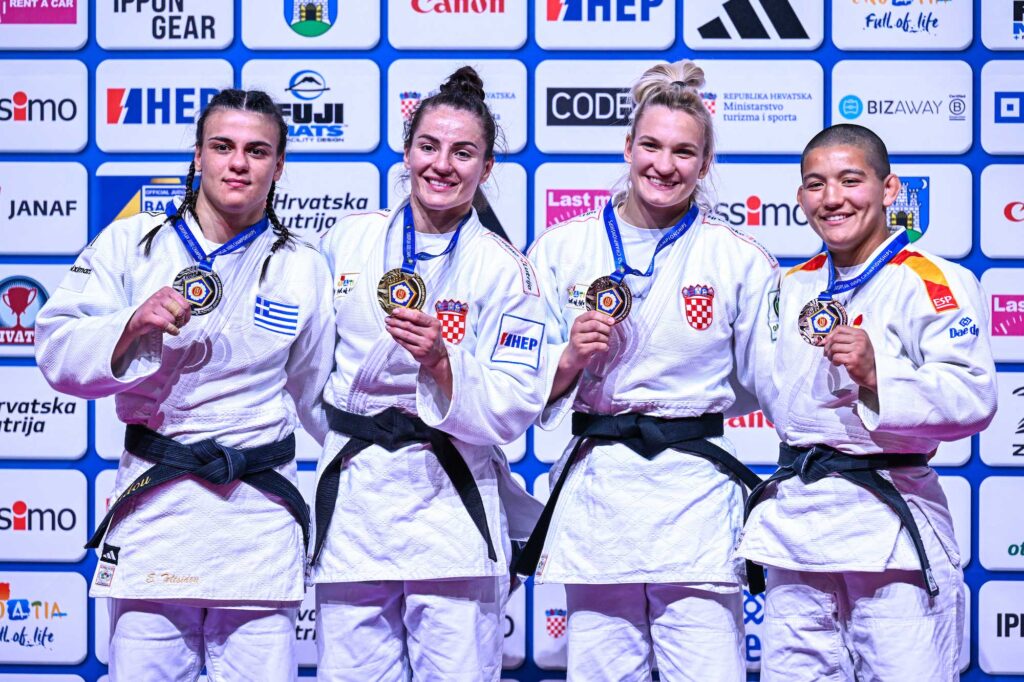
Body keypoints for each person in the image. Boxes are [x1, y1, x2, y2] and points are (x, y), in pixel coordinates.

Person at [34, 89, 335, 681]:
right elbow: (56, 350)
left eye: (257, 151)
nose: (238, 163)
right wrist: (131, 324)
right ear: (197, 155)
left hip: (257, 517)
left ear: (279, 166)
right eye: (222, 146)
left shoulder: (303, 266)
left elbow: (319, 396)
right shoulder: (131, 243)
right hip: (159, 511)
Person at [517, 60, 780, 681]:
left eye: (684, 152)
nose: (665, 165)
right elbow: (516, 385)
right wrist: (569, 358)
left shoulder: (738, 259)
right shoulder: (561, 249)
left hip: (695, 494)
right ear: (627, 147)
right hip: (600, 492)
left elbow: (768, 384)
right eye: (652, 146)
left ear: (705, 163)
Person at [309, 66, 545, 682]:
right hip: (357, 504)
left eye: (463, 153)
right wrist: (345, 432)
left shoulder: (504, 269)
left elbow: (517, 402)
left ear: (486, 168)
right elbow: (306, 372)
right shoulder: (349, 241)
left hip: (450, 511)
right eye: (428, 146)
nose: (442, 165)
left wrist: (443, 365)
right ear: (406, 151)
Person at [738, 124, 997, 681]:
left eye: (850, 180)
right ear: (801, 196)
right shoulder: (786, 288)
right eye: (816, 184)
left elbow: (974, 396)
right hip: (797, 530)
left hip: (889, 528)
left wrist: (880, 373)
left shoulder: (933, 281)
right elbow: (748, 382)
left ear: (889, 188)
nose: (832, 198)